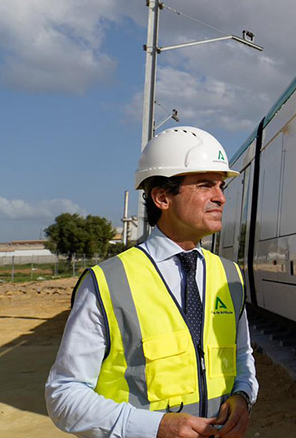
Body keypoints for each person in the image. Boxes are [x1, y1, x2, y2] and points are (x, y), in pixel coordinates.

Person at [46, 126, 258, 438]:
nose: (220, 197)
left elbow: (242, 356)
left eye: (221, 186)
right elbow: (63, 396)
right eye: (205, 185)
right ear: (161, 197)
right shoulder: (107, 282)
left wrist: (242, 396)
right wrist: (155, 426)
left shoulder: (229, 275)